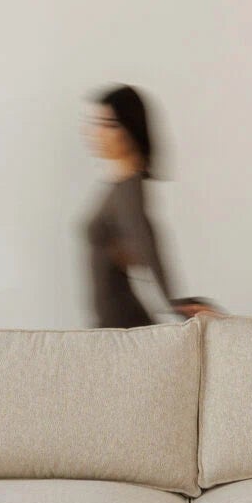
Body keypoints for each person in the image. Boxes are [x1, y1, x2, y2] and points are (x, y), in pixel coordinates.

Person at [82, 85, 215, 328]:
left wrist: (174, 302)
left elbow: (146, 244)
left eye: (109, 124)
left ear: (130, 129)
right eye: (96, 123)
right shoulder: (120, 185)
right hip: (111, 323)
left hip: (119, 324)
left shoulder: (128, 189)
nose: (96, 133)